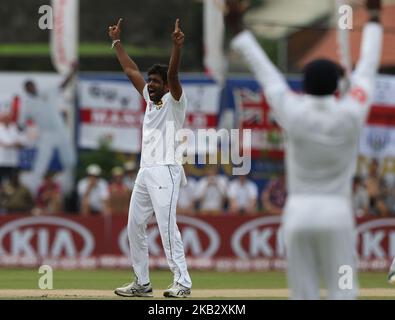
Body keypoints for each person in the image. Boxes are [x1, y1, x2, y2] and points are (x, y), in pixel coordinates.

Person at [225, 0, 383, 299]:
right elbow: (368, 69)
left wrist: (237, 28)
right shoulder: (351, 112)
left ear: (304, 86)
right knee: (343, 291)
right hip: (337, 214)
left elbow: (266, 73)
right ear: (338, 86)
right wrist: (374, 17)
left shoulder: (293, 110)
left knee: (303, 295)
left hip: (297, 215)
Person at [109, 18, 192, 298]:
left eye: (157, 82)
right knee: (134, 226)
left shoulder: (175, 100)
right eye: (150, 81)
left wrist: (176, 47)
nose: (151, 85)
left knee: (168, 229)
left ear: (167, 86)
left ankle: (182, 283)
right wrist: (117, 42)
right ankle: (142, 283)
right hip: (146, 171)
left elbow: (174, 73)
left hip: (166, 170)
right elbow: (131, 69)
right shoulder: (150, 99)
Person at [20, 64, 77, 194]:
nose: (31, 89)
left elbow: (62, 86)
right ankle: (33, 192)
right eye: (28, 88)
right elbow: (21, 124)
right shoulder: (27, 105)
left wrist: (72, 72)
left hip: (60, 130)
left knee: (69, 159)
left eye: (32, 86)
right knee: (41, 163)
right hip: (45, 134)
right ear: (26, 90)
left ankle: (70, 190)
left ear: (35, 86)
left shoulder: (47, 92)